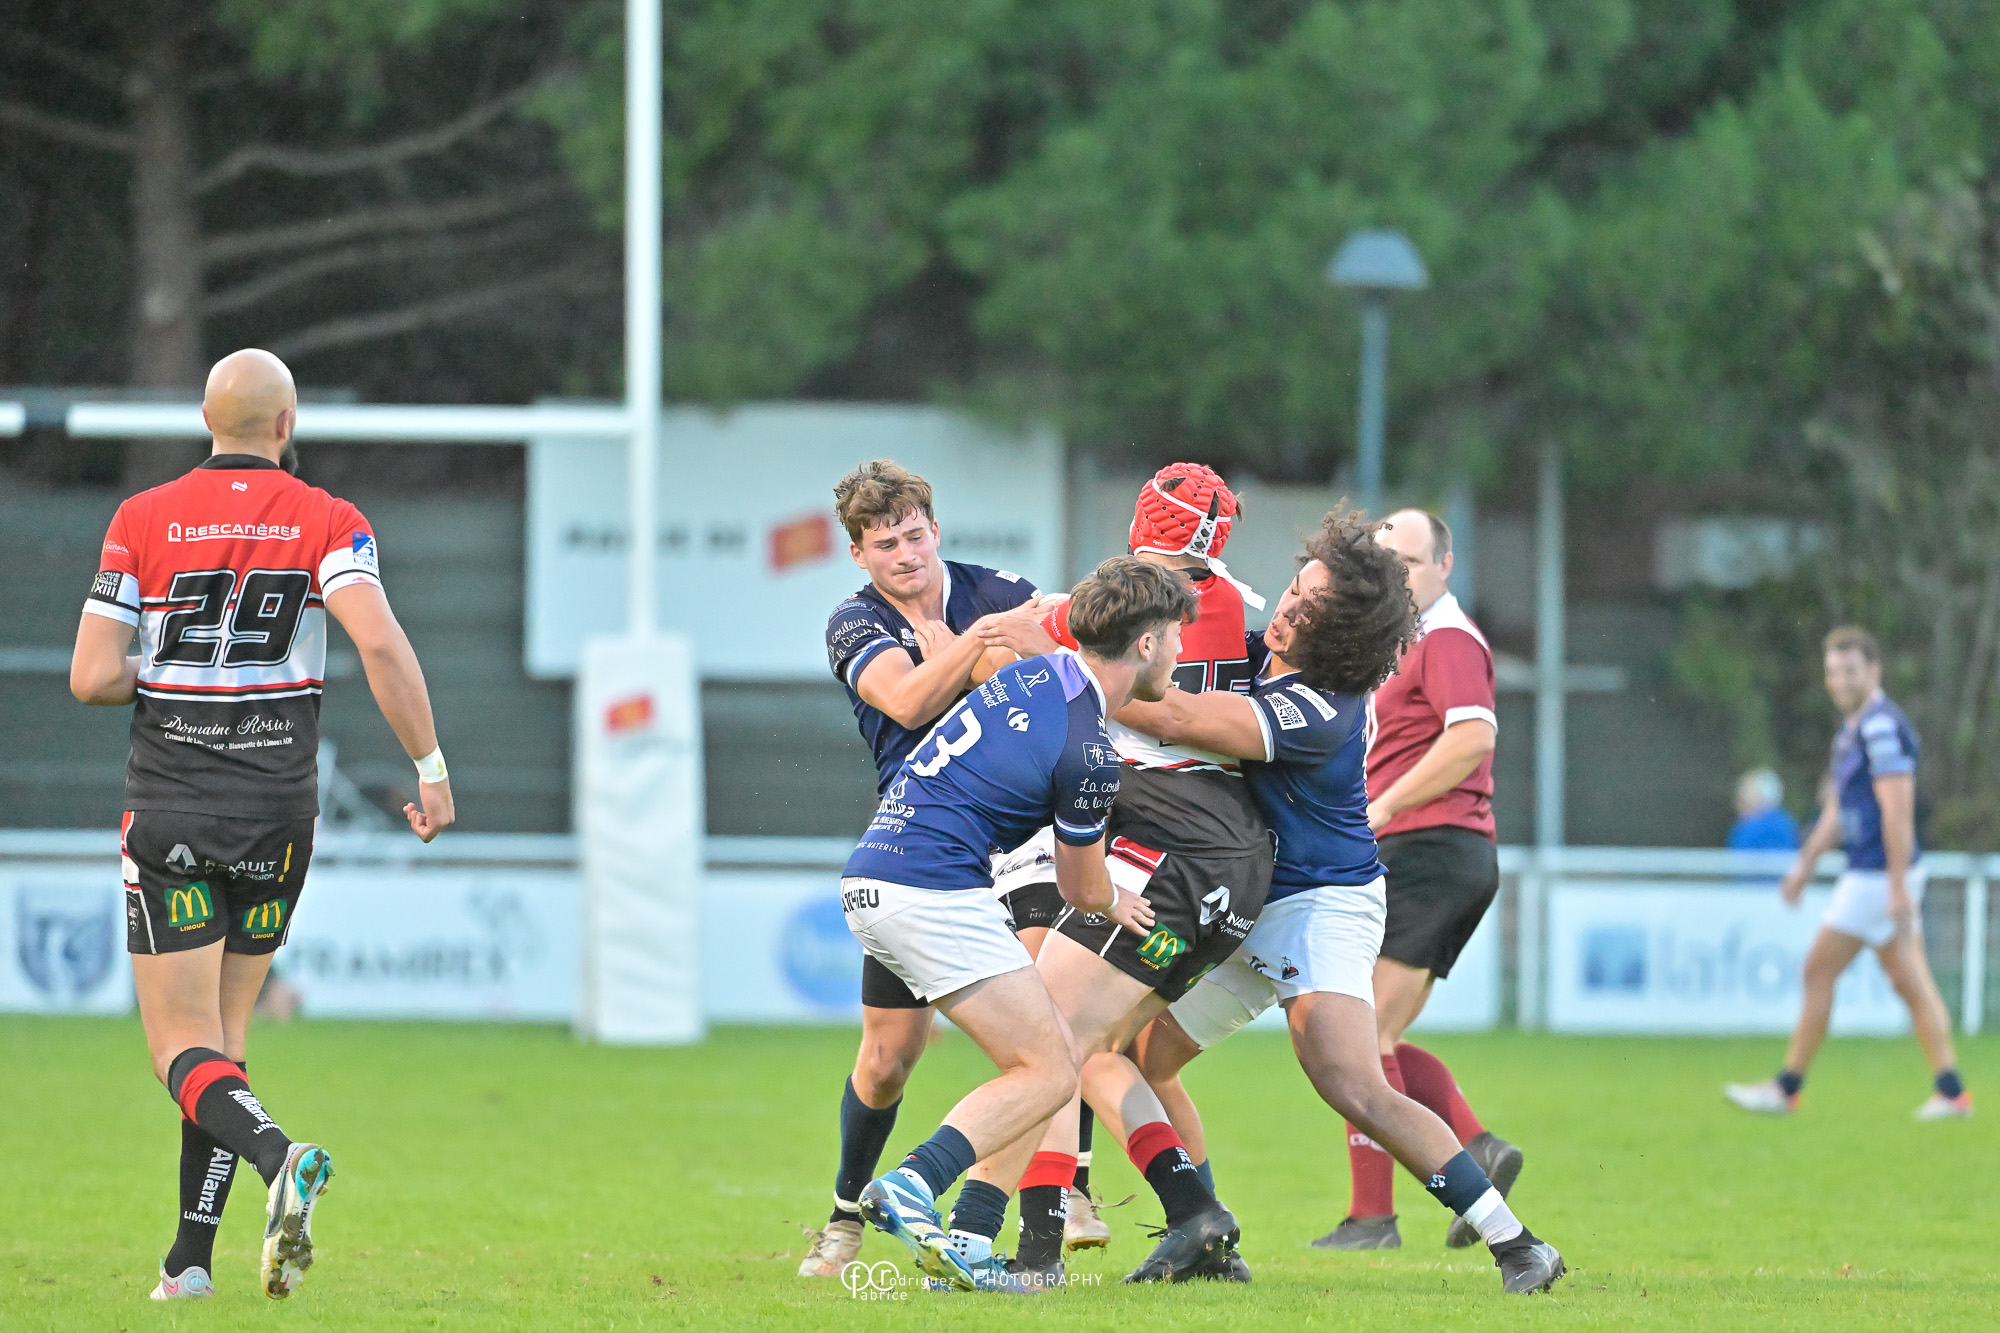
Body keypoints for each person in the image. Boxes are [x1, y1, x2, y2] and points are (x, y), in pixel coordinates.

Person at [69, 349, 455, 1302]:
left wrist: (166, 669)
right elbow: (378, 641)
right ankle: (188, 1263)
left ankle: (279, 1157)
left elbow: (92, 675)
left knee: (178, 1046)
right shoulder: (329, 519)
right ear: (288, 424)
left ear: (208, 419)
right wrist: (431, 766)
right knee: (225, 1039)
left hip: (174, 805)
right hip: (279, 815)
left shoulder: (142, 518)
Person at [1128, 512, 1567, 1296]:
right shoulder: (1264, 653)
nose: (1290, 610)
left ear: (1346, 635)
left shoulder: (1321, 705)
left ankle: (1519, 1244)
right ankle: (1204, 1231)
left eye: (1313, 609)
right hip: (1251, 904)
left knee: (1356, 1086)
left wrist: (1068, 671)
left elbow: (1174, 715)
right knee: (1140, 1055)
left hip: (1320, 907)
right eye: (1296, 589)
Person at [846, 557, 1190, 1291]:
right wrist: (1114, 900)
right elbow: (1080, 885)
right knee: (1052, 1068)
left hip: (877, 872)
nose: (1182, 650)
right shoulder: (1089, 749)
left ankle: (966, 1242)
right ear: (1147, 643)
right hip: (930, 887)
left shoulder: (1034, 674)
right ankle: (912, 1184)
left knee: (1039, 1057)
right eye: (1176, 636)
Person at [976, 461, 1275, 1286]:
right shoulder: (1232, 602)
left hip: (1172, 849)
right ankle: (1198, 1219)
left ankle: (1034, 1250)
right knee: (1105, 1050)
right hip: (1219, 872)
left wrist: (1016, 645)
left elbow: (1077, 669)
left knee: (1046, 1037)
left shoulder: (1152, 605)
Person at [801, 461, 1099, 1279]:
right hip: (927, 844)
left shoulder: (999, 587)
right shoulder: (854, 621)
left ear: (935, 529)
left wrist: (962, 665)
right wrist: (978, 648)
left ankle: (1055, 1200)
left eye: (914, 535)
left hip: (1022, 838)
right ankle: (846, 1214)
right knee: (889, 1056)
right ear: (858, 554)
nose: (905, 554)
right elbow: (904, 701)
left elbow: (1066, 688)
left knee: (1054, 1019)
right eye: (884, 544)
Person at [1309, 508, 1521, 1252]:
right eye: (1385, 563)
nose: (1396, 576)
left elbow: (1473, 735)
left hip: (1431, 846)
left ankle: (1375, 1217)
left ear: (1445, 566)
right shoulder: (1402, 641)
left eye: (1409, 562)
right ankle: (1476, 1147)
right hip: (1428, 849)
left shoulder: (1447, 637)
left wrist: (1388, 802)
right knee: (1371, 1033)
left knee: (1361, 1037)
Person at [1725, 627, 1971, 1120]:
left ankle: (1787, 1088)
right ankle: (1952, 1092)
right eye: (1833, 671)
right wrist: (1806, 865)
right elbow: (1838, 811)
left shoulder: (1880, 728)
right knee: (1909, 981)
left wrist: (1897, 885)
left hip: (1876, 877)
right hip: (1877, 875)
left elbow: (1897, 811)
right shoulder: (1853, 731)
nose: (1839, 681)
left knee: (1817, 970)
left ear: (1874, 671)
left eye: (1850, 670)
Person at [1727, 767, 1801, 852]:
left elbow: (1738, 856)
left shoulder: (1753, 827)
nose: (1739, 797)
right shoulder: (1787, 823)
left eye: (1746, 790)